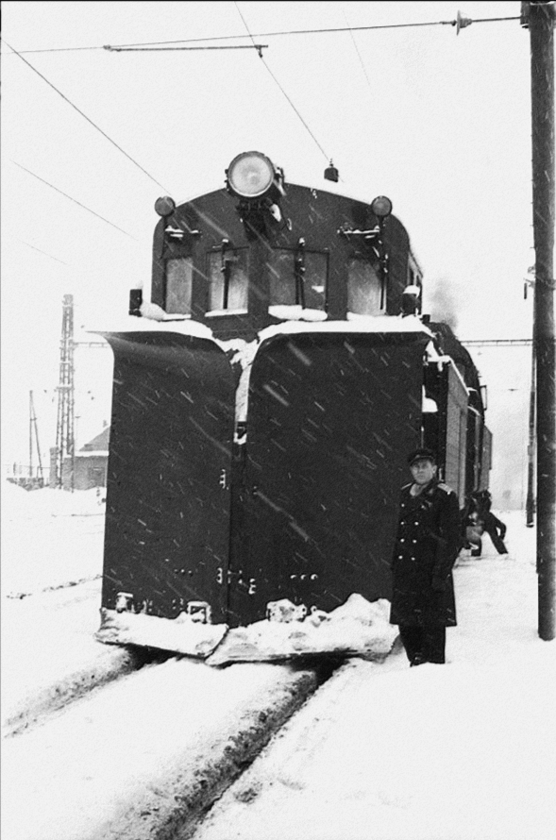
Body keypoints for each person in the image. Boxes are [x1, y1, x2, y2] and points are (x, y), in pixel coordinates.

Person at [390, 448, 462, 666]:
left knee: (432, 633)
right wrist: (395, 564)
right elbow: (401, 532)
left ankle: (432, 684)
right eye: (415, 466)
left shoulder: (444, 496)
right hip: (406, 575)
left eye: (424, 465)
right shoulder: (405, 493)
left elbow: (452, 540)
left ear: (434, 468)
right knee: (408, 629)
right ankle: (415, 668)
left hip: (430, 574)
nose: (420, 470)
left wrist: (440, 573)